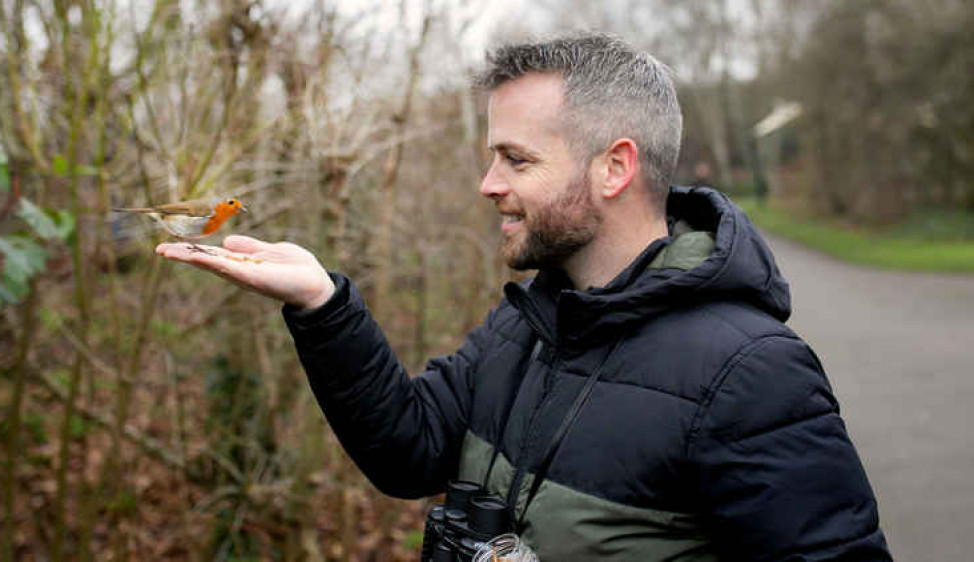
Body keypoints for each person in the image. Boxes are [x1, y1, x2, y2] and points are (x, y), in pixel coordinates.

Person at [157, 33, 891, 561]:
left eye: (516, 159)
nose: (488, 185)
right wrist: (323, 305)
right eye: (490, 157)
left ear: (615, 168)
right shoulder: (529, 326)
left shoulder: (753, 374)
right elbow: (409, 453)